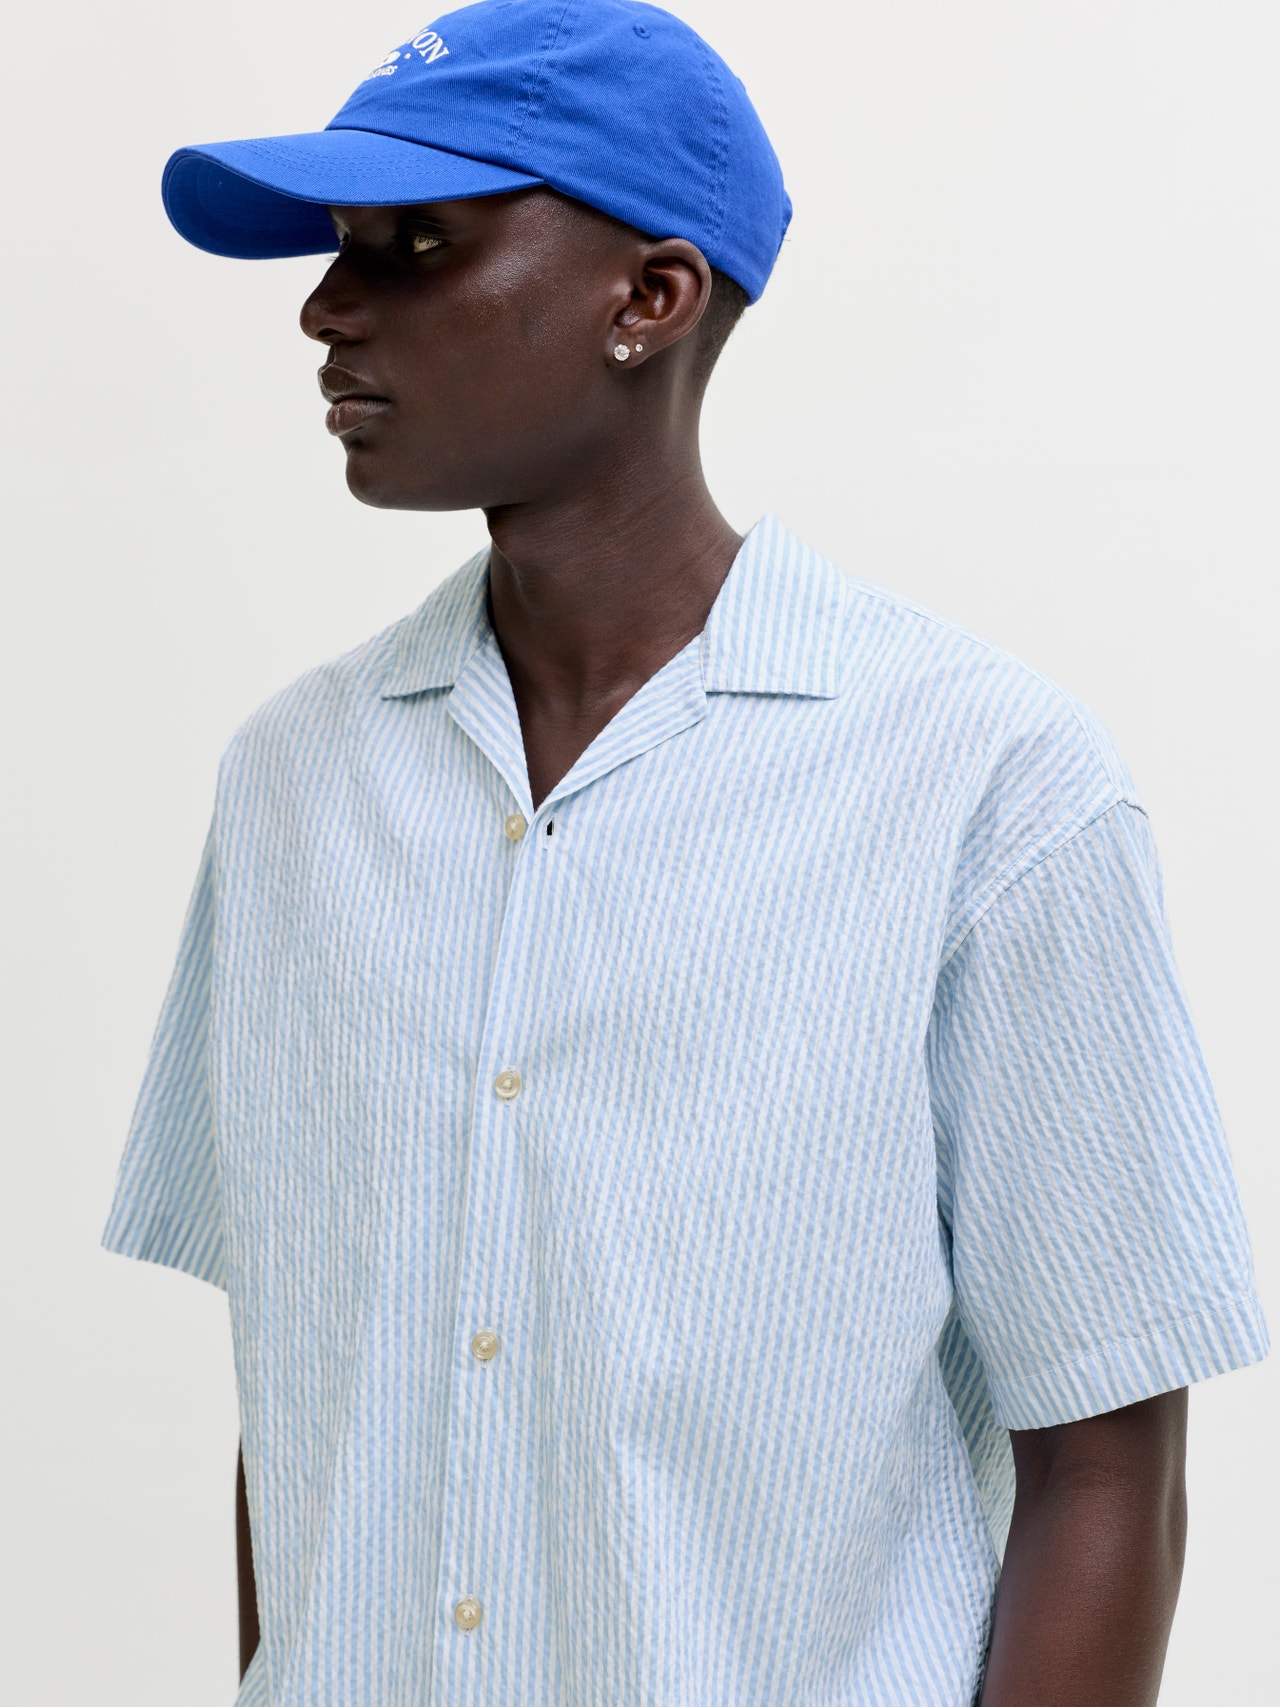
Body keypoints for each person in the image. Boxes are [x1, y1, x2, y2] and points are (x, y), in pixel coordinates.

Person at [102, 3, 1268, 1703]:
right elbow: (304, 1409)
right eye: (341, 247)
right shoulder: (294, 783)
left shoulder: (987, 786)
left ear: (648, 298)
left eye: (417, 246)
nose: (327, 307)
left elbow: (1108, 1467)